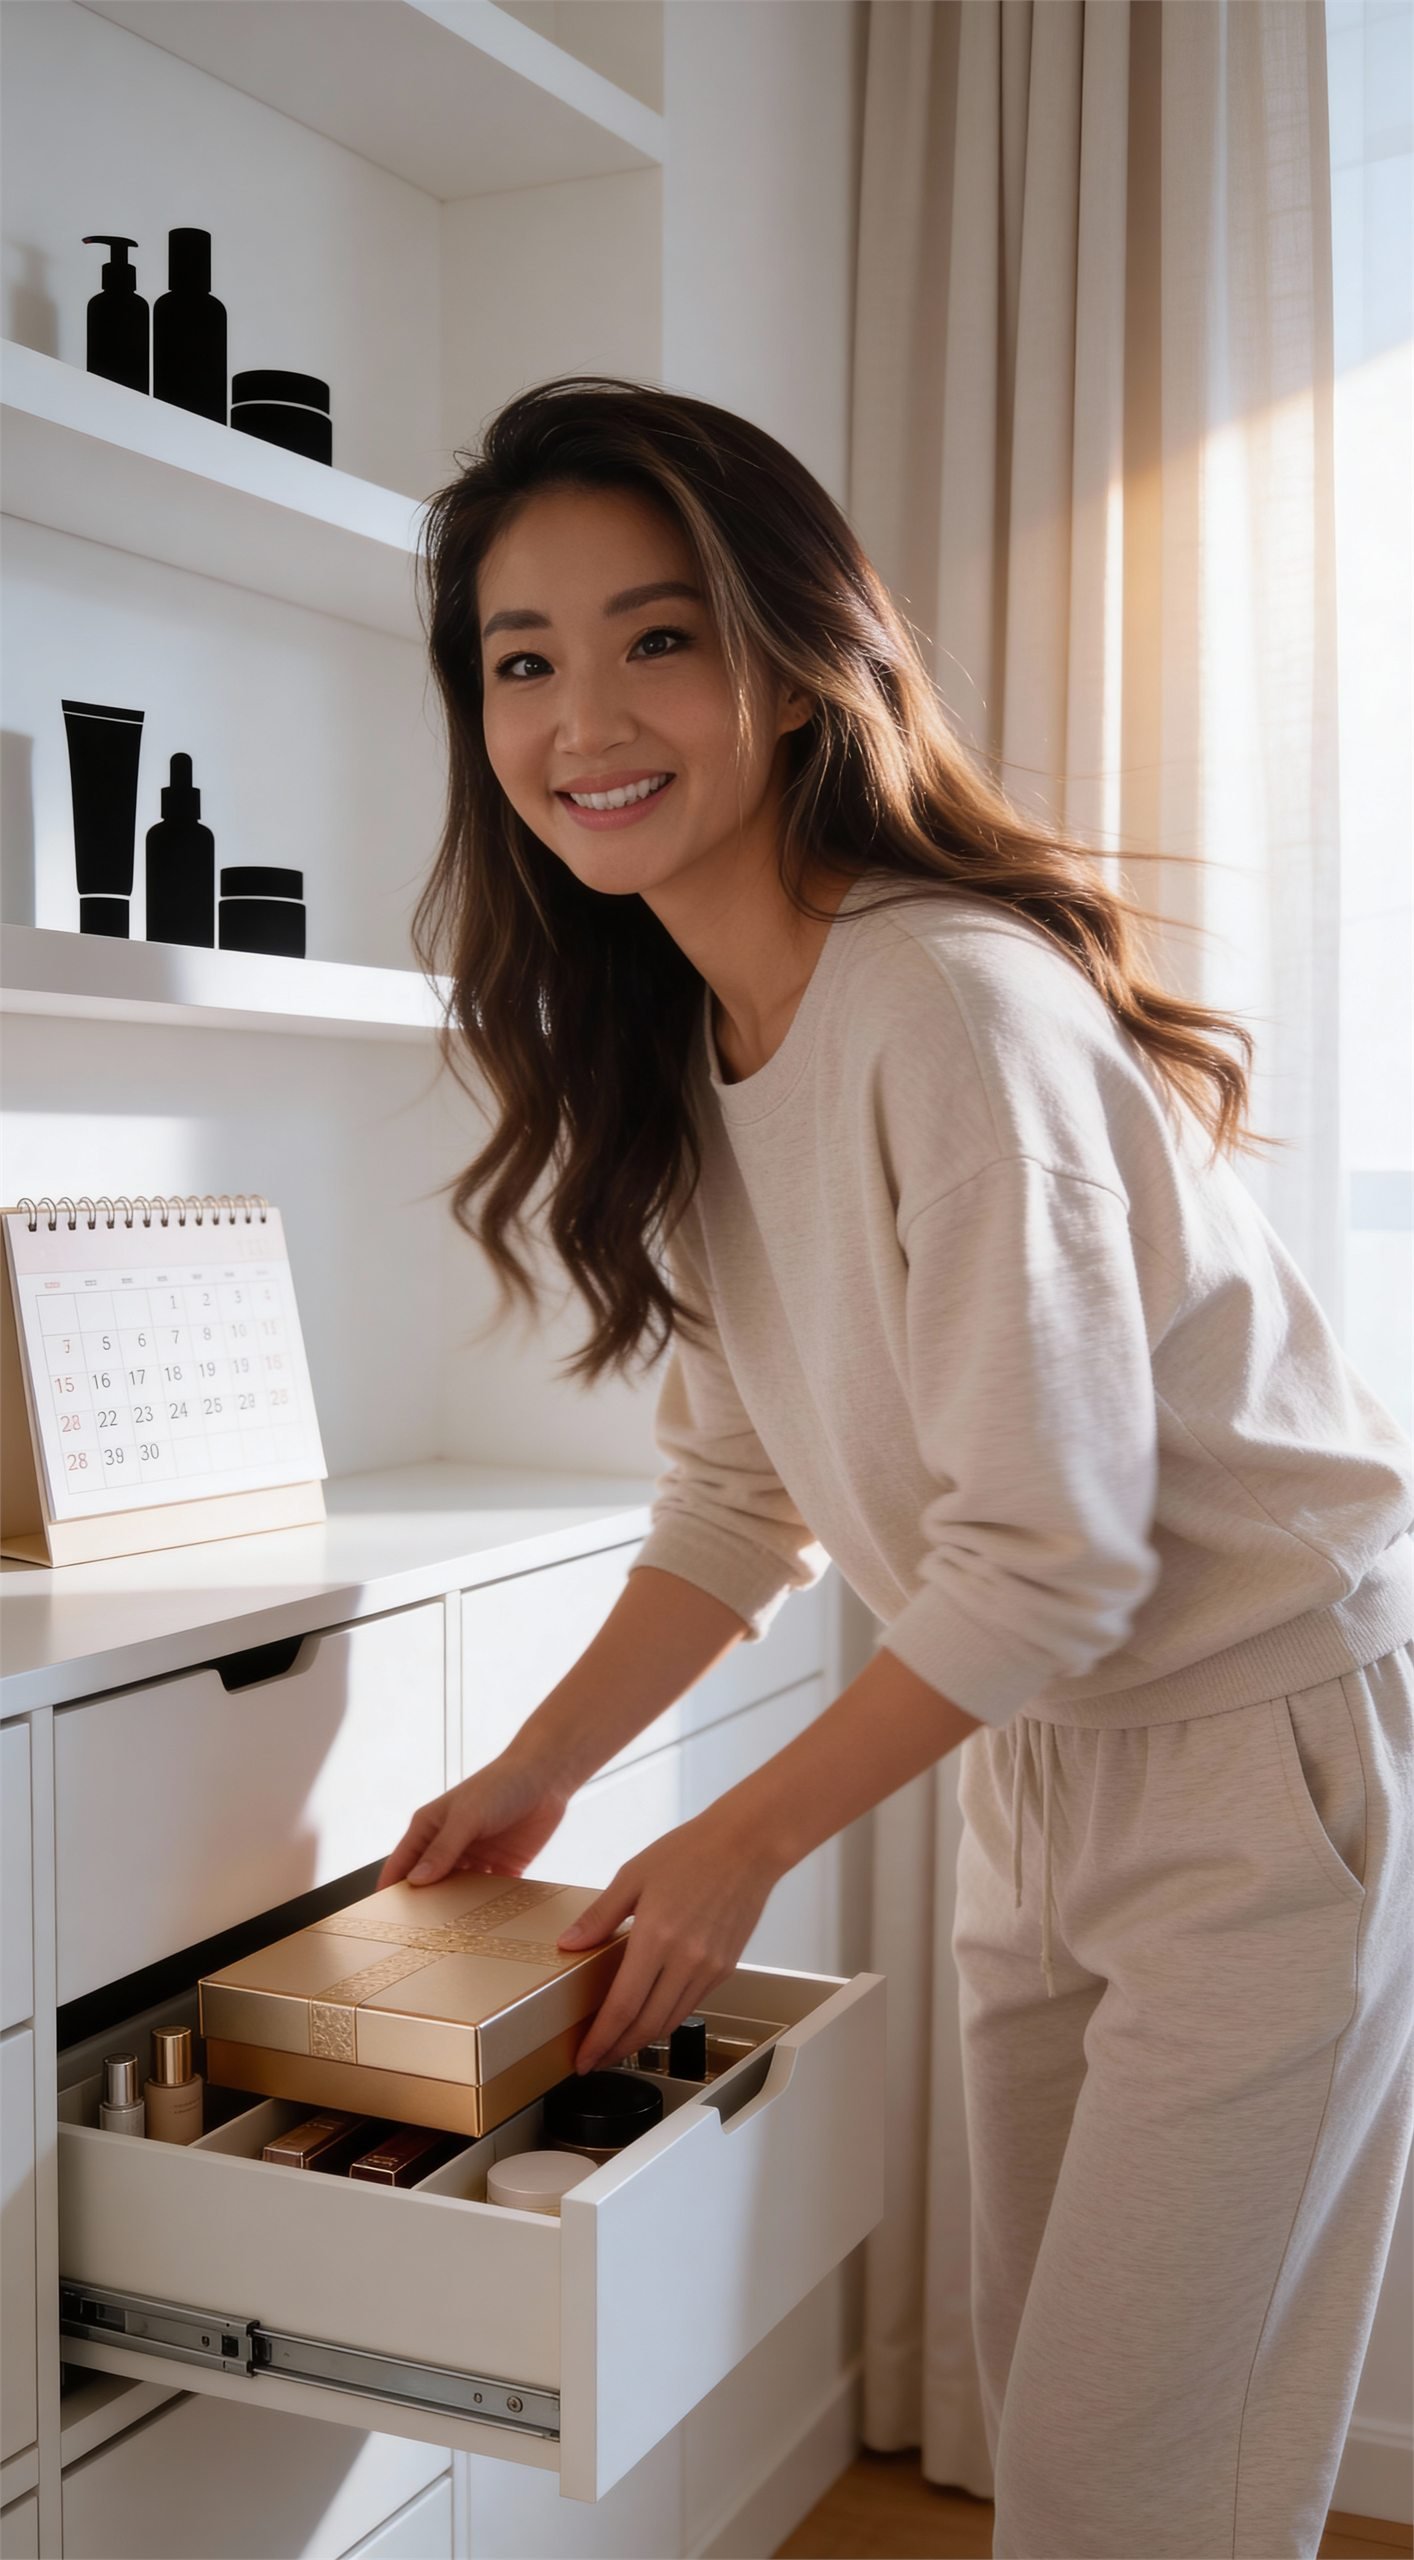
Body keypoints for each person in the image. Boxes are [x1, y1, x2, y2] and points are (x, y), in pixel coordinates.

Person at [378, 376, 1414, 2560]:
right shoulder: (686, 1043)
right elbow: (740, 1497)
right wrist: (545, 1774)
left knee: (1141, 2487)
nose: (585, 713)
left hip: (1254, 1753)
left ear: (788, 651)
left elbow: (1048, 1550)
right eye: (521, 656)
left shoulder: (941, 1000)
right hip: (1033, 1756)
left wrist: (741, 1837)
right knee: (1057, 2446)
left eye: (656, 636)